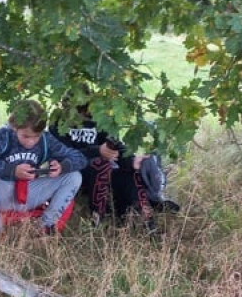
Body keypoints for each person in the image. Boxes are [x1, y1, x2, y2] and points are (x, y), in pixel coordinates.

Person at [50, 99, 179, 233]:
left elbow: (117, 147)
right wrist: (97, 151)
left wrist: (131, 161)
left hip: (106, 172)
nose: (85, 113)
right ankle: (98, 220)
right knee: (101, 164)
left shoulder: (100, 121)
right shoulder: (58, 125)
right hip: (77, 174)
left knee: (131, 172)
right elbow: (63, 156)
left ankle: (142, 215)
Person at [0, 99, 88, 236]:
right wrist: (12, 171)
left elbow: (80, 158)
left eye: (36, 137)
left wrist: (62, 167)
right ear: (14, 127)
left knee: (74, 176)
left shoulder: (46, 140)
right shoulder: (3, 136)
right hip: (1, 192)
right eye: (26, 136)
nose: (31, 141)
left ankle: (47, 226)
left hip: (29, 192)